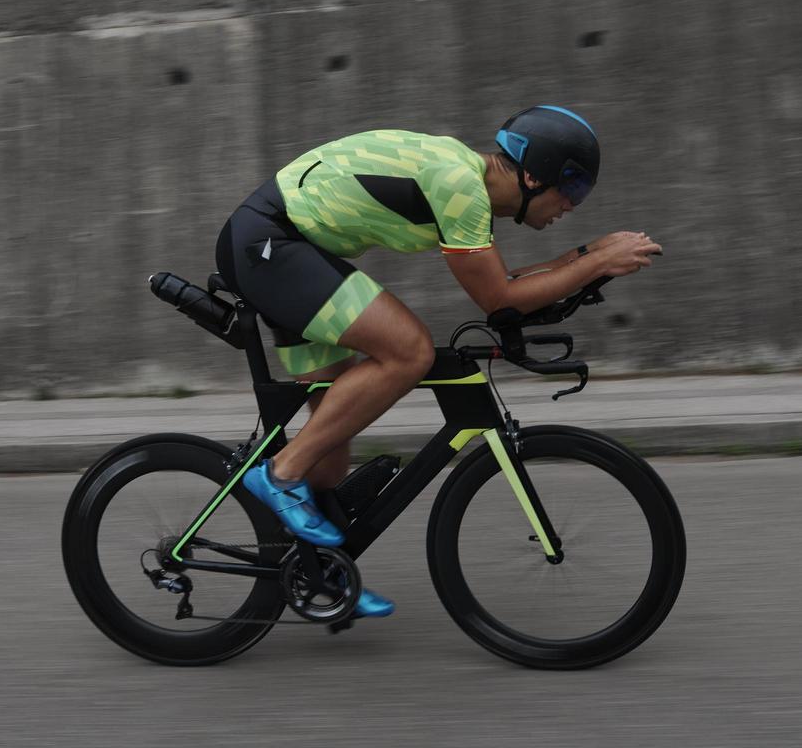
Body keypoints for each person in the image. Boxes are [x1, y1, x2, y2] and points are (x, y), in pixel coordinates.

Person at [213, 105, 663, 617]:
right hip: (271, 244)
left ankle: (319, 572)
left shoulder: (465, 182)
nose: (572, 205)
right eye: (573, 188)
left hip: (286, 248)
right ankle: (278, 475)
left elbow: (508, 284)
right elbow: (500, 301)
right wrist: (595, 263)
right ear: (535, 174)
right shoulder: (459, 184)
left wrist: (585, 257)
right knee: (409, 350)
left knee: (331, 452)